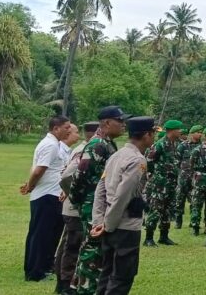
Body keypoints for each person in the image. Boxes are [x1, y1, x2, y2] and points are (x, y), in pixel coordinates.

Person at [90, 116, 154, 295]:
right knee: (122, 277)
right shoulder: (137, 160)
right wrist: (107, 225)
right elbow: (122, 196)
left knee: (107, 273)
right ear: (146, 135)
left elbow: (100, 190)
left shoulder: (116, 156)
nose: (154, 138)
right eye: (153, 134)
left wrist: (99, 220)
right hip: (124, 226)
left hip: (109, 222)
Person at [70, 106, 127, 295]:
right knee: (93, 249)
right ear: (107, 123)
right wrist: (80, 202)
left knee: (94, 248)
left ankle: (83, 286)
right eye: (120, 121)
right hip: (91, 204)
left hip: (98, 203)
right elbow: (80, 175)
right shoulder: (98, 145)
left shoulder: (109, 143)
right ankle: (86, 289)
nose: (123, 125)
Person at [21, 116, 73, 282]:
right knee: (41, 235)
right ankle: (34, 272)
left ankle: (43, 266)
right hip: (46, 196)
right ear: (56, 128)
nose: (69, 130)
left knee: (48, 234)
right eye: (66, 127)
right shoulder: (50, 145)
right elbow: (38, 170)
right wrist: (30, 185)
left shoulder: (54, 144)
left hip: (52, 194)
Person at [55, 122, 97, 294]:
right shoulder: (84, 151)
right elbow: (66, 177)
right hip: (75, 209)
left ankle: (63, 283)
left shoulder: (87, 148)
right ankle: (65, 285)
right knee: (72, 247)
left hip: (76, 207)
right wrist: (75, 197)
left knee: (68, 244)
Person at [143, 119, 183, 247]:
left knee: (168, 210)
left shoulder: (177, 144)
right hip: (160, 183)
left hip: (172, 182)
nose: (180, 131)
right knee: (156, 209)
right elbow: (148, 161)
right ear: (171, 131)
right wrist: (155, 175)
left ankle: (164, 236)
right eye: (178, 129)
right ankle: (149, 238)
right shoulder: (160, 144)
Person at [187, 126, 206, 236]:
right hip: (200, 180)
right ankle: (195, 227)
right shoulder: (198, 150)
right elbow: (191, 166)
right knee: (196, 204)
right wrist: (194, 179)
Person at [173, 124, 202, 231]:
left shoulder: (202, 146)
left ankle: (193, 222)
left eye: (201, 132)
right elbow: (176, 161)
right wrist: (179, 174)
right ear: (192, 133)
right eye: (198, 132)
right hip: (183, 177)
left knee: (195, 201)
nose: (200, 134)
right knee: (179, 200)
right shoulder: (183, 145)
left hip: (196, 178)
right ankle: (178, 221)